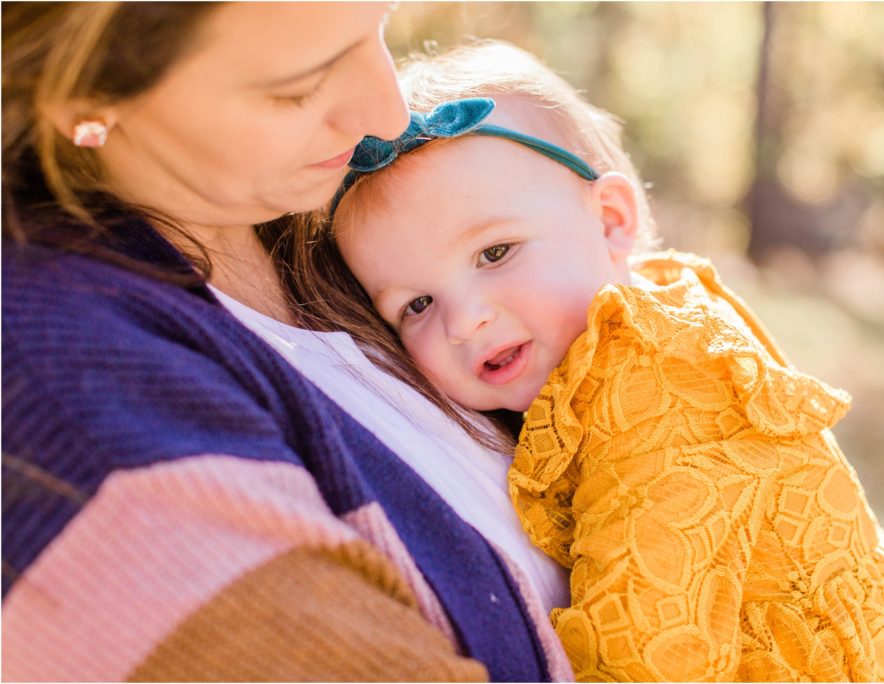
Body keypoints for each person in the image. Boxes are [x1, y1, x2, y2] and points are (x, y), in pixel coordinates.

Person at [2, 5, 574, 681]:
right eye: (298, 87)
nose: (388, 115)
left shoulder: (350, 224)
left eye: (379, 23)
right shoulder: (65, 403)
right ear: (82, 95)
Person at [331, 41, 884, 682]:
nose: (463, 319)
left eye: (495, 253)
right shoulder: (628, 325)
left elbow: (647, 636)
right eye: (416, 303)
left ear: (611, 221)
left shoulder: (658, 385)